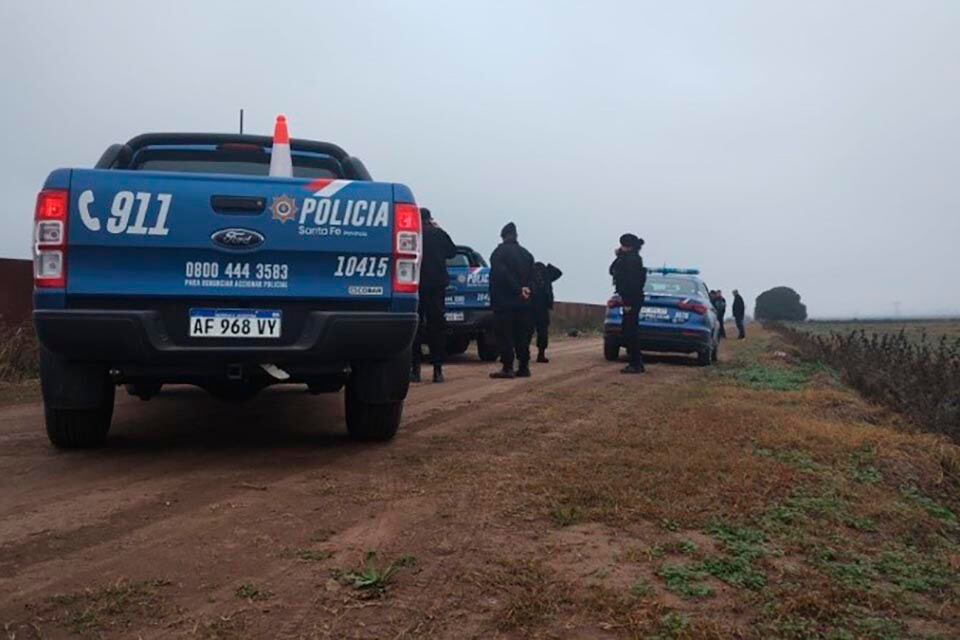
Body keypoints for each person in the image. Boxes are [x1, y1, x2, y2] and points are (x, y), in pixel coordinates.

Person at [411, 208, 457, 383]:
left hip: (416, 285)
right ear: (430, 219)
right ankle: (438, 371)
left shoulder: (414, 234)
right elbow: (452, 252)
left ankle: (415, 369)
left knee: (415, 326)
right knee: (436, 327)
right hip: (437, 286)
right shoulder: (438, 233)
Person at [489, 222, 535, 379]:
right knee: (522, 335)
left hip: (504, 303)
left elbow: (501, 275)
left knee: (504, 335)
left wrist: (517, 289)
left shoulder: (498, 253)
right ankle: (524, 367)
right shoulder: (527, 254)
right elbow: (533, 277)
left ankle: (507, 367)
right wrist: (526, 289)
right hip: (524, 302)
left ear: (503, 236)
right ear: (516, 236)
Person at [609, 233, 646, 374]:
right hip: (629, 298)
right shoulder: (628, 258)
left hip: (632, 299)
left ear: (628, 246)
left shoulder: (632, 260)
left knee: (631, 331)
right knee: (628, 330)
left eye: (623, 245)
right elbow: (612, 271)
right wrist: (619, 256)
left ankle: (636, 363)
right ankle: (636, 362)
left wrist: (629, 302)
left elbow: (633, 283)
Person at [531, 261, 563, 363]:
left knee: (528, 332)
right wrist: (547, 268)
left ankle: (526, 354)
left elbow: (558, 273)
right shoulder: (546, 278)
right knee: (542, 332)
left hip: (530, 307)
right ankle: (541, 354)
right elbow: (558, 272)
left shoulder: (530, 276)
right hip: (541, 308)